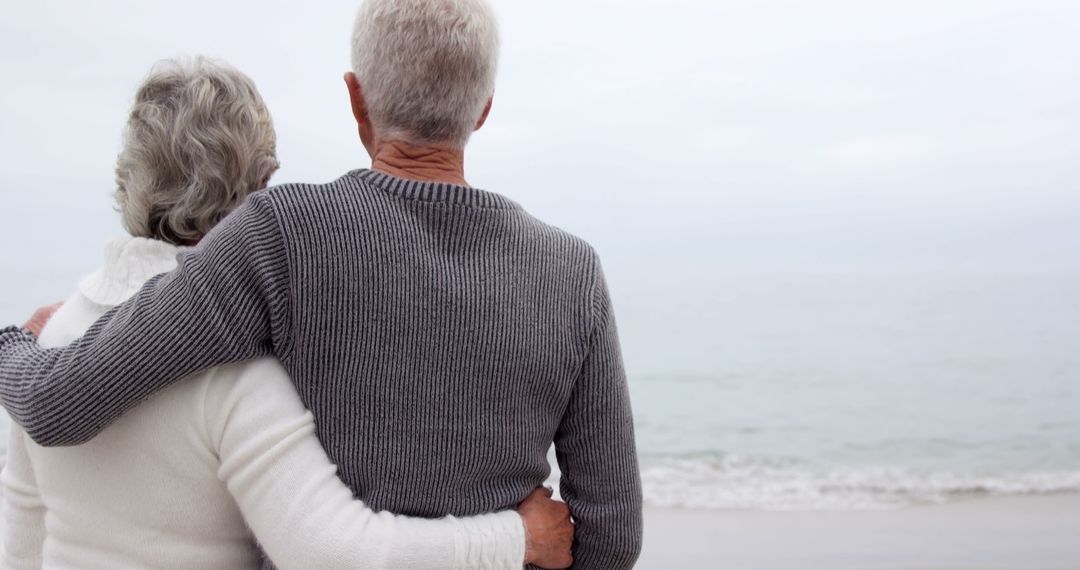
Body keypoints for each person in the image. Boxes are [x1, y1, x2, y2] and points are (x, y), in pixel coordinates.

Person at [0, 0, 643, 567]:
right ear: (484, 107)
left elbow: (59, 406)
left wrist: (13, 348)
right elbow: (613, 539)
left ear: (356, 97)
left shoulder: (280, 235)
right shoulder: (573, 271)